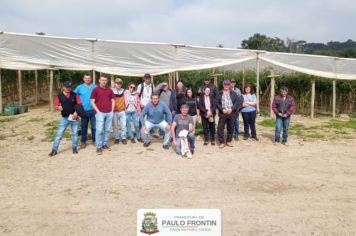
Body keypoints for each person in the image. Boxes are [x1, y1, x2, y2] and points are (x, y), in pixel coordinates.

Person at [48, 80, 81, 157]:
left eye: (69, 87)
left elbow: (79, 104)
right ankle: (54, 150)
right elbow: (56, 105)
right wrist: (58, 107)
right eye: (67, 87)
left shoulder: (75, 95)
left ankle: (74, 148)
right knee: (59, 134)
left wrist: (76, 112)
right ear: (63, 87)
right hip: (64, 118)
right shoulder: (59, 96)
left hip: (74, 117)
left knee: (75, 134)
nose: (68, 88)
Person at [91, 74, 115, 155]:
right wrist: (98, 111)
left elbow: (113, 100)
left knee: (107, 130)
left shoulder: (110, 90)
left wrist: (112, 111)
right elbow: (92, 102)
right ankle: (98, 146)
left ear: (107, 81)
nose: (104, 81)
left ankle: (104, 144)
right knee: (99, 130)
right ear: (99, 80)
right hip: (100, 113)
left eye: (105, 80)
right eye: (102, 80)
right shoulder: (95, 90)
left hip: (109, 113)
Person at [217, 80, 243, 149]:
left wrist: (232, 109)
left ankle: (228, 141)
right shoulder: (219, 93)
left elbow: (238, 101)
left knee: (231, 128)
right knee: (220, 128)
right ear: (223, 85)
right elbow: (217, 103)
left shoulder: (233, 93)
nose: (226, 86)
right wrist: (222, 109)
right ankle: (222, 142)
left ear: (229, 85)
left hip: (231, 113)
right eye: (225, 84)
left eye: (227, 84)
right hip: (223, 113)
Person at [73, 74, 96, 148]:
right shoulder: (80, 87)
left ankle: (95, 140)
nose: (87, 79)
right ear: (83, 79)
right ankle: (83, 141)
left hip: (93, 110)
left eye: (89, 78)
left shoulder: (95, 86)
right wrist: (76, 109)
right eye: (86, 78)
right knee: (83, 127)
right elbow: (73, 96)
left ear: (91, 79)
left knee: (94, 127)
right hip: (83, 111)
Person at [112, 78, 127, 144]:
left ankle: (123, 137)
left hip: (122, 111)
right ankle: (116, 138)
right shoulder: (111, 91)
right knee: (115, 126)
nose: (118, 84)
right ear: (115, 84)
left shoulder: (124, 91)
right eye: (117, 83)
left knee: (123, 125)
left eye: (120, 83)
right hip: (114, 111)